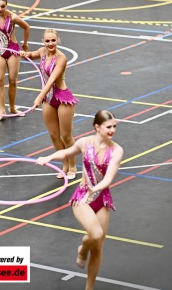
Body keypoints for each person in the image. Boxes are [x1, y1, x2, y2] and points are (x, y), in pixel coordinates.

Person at [37, 110, 123, 290]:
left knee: (98, 247)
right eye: (108, 127)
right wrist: (49, 157)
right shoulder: (85, 143)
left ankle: (89, 288)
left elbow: (108, 179)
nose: (112, 130)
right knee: (96, 235)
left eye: (114, 126)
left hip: (102, 198)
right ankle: (82, 249)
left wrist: (96, 188)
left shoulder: (117, 150)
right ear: (97, 127)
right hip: (83, 197)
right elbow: (67, 152)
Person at [20, 29, 79, 179]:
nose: (50, 43)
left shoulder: (61, 58)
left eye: (53, 40)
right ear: (43, 41)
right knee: (54, 135)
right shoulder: (42, 51)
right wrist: (24, 54)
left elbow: (52, 80)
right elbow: (31, 55)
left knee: (66, 136)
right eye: (47, 41)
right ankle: (64, 165)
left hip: (62, 98)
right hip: (49, 99)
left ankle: (73, 167)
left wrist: (39, 97)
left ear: (57, 40)